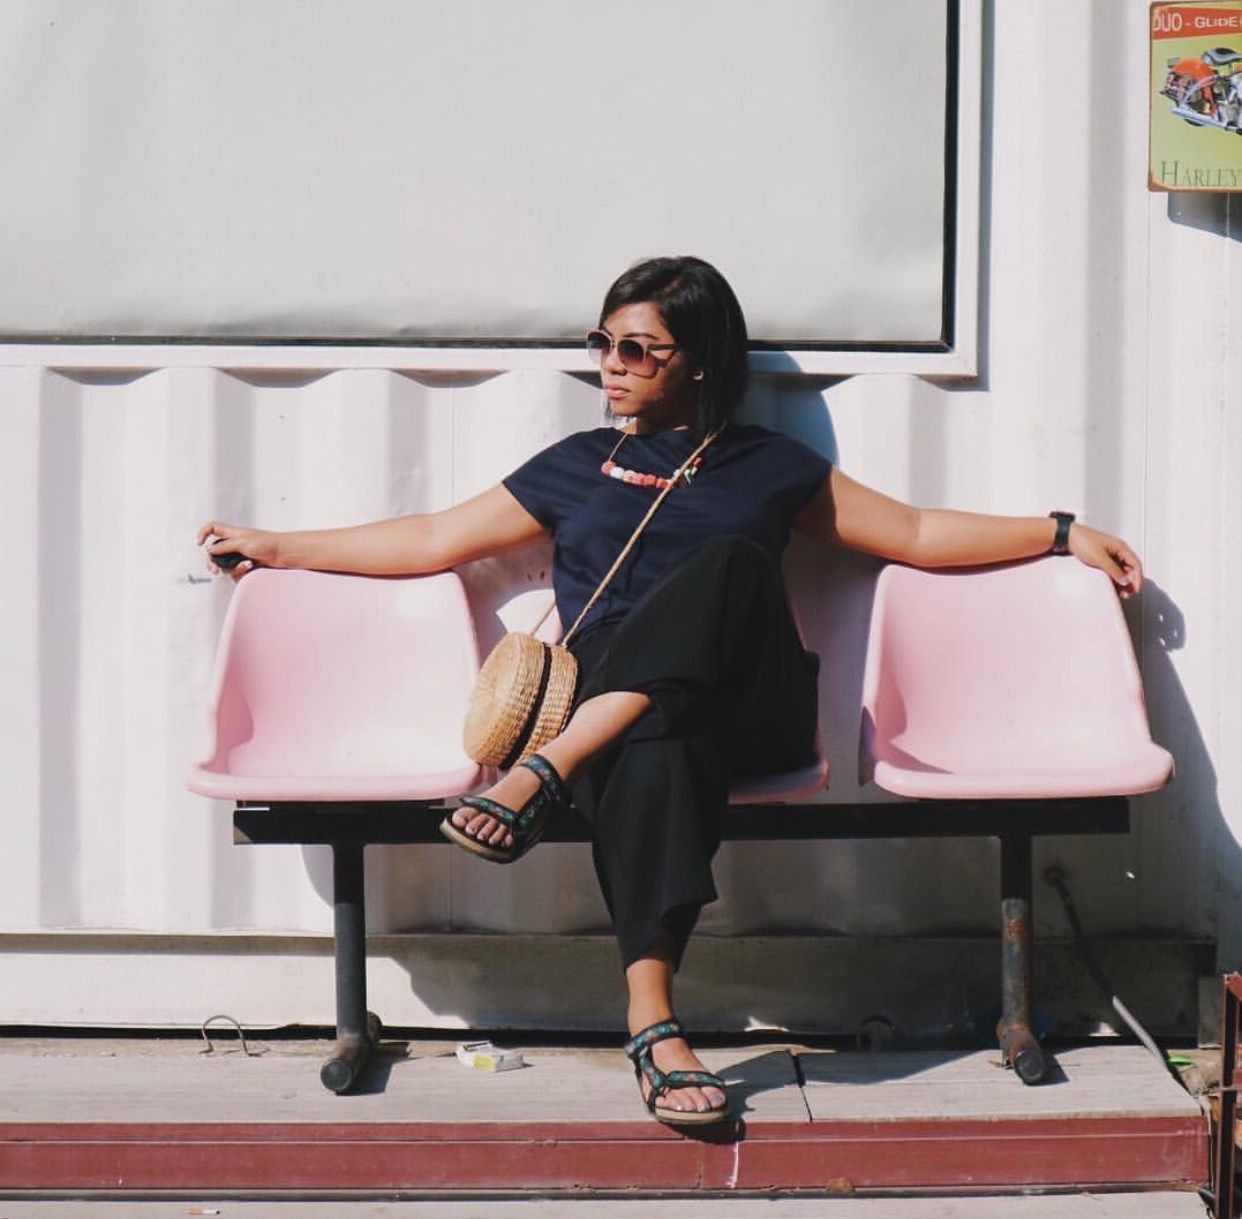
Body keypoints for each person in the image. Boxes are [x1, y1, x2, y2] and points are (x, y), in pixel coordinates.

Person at [197, 255, 1143, 1127]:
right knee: (656, 743)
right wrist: (280, 545)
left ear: (699, 362)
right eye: (603, 344)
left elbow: (918, 533)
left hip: (753, 709)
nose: (612, 366)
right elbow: (433, 538)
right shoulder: (577, 464)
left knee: (728, 564)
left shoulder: (768, 465)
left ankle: (550, 765)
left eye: (638, 349)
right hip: (640, 722)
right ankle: (654, 1023)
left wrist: (1060, 531)